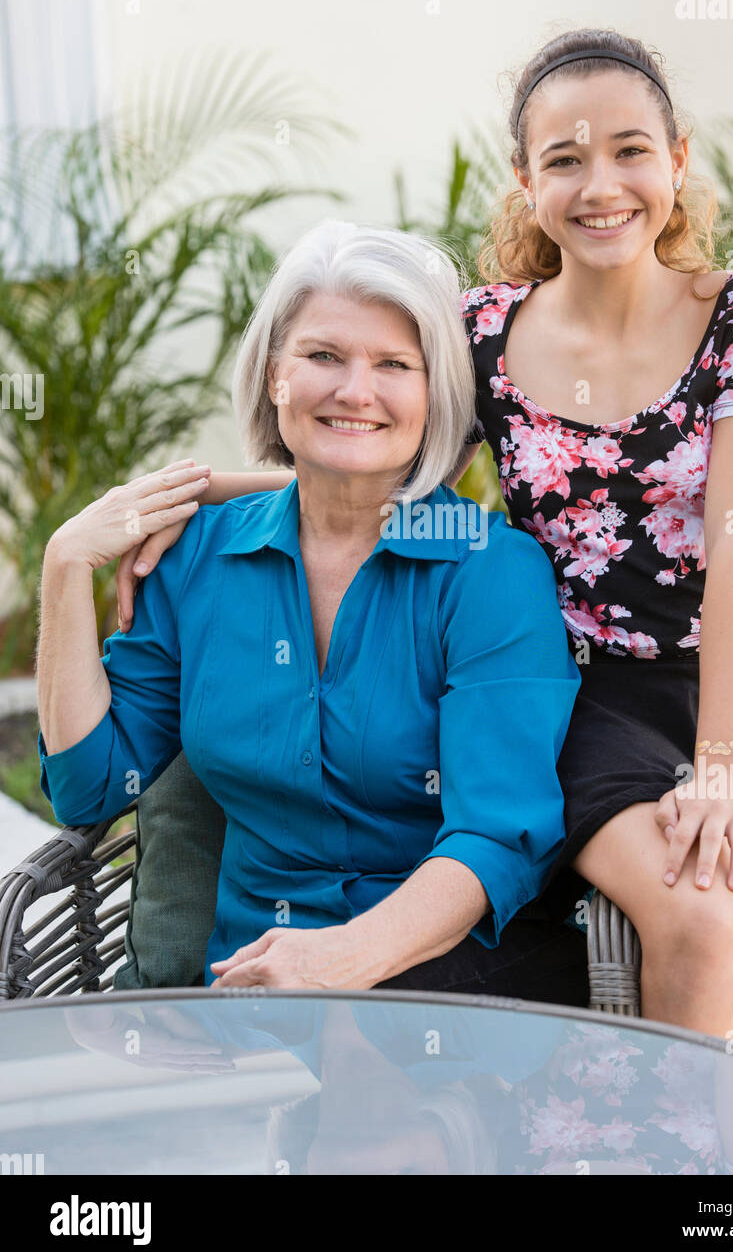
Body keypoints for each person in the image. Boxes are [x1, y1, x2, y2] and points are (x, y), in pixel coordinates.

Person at [123, 31, 733, 1074]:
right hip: (590, 697)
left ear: (678, 159)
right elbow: (369, 460)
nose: (599, 184)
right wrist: (170, 503)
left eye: (629, 151)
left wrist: (723, 771)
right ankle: (666, 1146)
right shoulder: (483, 333)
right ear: (526, 181)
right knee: (699, 924)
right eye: (564, 159)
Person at [35, 220, 584, 1000]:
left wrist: (338, 960)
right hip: (243, 986)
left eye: (394, 364)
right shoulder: (196, 557)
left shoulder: (489, 572)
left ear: (437, 394)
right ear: (273, 376)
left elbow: (497, 837)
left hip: (448, 982)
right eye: (323, 356)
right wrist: (64, 568)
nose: (354, 391)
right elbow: (91, 789)